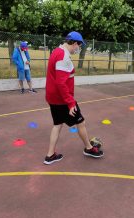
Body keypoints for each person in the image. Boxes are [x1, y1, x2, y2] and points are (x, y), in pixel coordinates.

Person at [44, 31, 104, 165]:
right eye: (79, 45)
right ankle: (89, 148)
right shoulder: (63, 56)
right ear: (75, 43)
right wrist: (71, 103)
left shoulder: (57, 51)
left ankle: (50, 155)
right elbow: (61, 82)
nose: (78, 48)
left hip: (54, 98)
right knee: (80, 122)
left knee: (57, 125)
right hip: (63, 100)